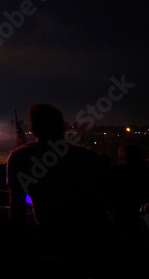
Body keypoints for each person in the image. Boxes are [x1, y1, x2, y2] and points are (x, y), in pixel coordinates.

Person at [6, 103, 115, 251]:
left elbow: (17, 210)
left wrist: (19, 249)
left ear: (34, 129)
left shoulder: (21, 157)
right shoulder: (88, 156)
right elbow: (114, 199)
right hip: (99, 239)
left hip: (55, 241)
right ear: (63, 127)